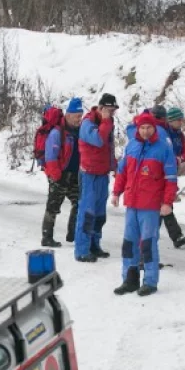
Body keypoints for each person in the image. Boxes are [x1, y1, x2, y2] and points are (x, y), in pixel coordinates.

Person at [111, 112, 178, 296]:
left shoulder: (163, 148)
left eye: (149, 127)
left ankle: (150, 281)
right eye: (142, 127)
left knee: (147, 244)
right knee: (129, 244)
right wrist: (116, 192)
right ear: (137, 128)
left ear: (154, 128)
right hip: (132, 203)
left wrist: (167, 202)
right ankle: (129, 279)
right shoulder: (132, 145)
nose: (146, 131)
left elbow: (171, 179)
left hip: (150, 205)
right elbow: (122, 172)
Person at [75, 93, 118, 262]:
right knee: (87, 213)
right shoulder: (88, 123)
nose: (111, 114)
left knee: (100, 214)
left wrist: (113, 165)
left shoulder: (107, 123)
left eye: (113, 111)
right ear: (100, 108)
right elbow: (99, 140)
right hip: (89, 175)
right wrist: (107, 121)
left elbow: (109, 146)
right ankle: (82, 250)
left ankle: (94, 244)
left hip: (102, 173)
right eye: (109, 110)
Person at [41, 98, 83, 249]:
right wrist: (56, 176)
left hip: (74, 175)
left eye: (81, 115)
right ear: (69, 115)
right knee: (53, 206)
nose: (80, 118)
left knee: (79, 202)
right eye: (77, 115)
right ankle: (47, 237)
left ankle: (73, 233)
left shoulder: (79, 130)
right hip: (59, 174)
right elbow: (50, 156)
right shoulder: (57, 132)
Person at [154, 106, 185, 248]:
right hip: (162, 171)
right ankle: (175, 236)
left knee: (166, 202)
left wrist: (179, 159)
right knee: (164, 202)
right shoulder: (164, 133)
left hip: (172, 171)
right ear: (171, 120)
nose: (181, 122)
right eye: (179, 119)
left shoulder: (179, 135)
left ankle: (172, 236)